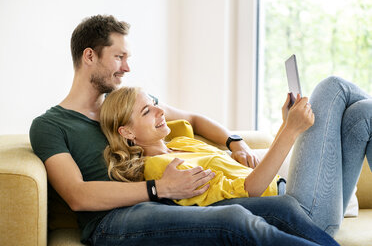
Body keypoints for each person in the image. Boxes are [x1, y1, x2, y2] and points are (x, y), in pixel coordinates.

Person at [29, 14, 341, 245]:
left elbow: (191, 118)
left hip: (164, 202)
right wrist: (158, 188)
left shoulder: (125, 105)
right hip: (115, 219)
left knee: (283, 208)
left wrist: (234, 141)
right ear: (89, 56)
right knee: (233, 220)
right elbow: (77, 195)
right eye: (119, 57)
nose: (127, 67)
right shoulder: (51, 125)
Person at [99, 87, 284, 207]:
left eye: (154, 104)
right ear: (127, 132)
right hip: (273, 200)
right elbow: (248, 192)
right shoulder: (163, 167)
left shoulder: (181, 143)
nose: (161, 111)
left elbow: (194, 120)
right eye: (147, 111)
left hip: (280, 186)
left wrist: (286, 123)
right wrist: (289, 130)